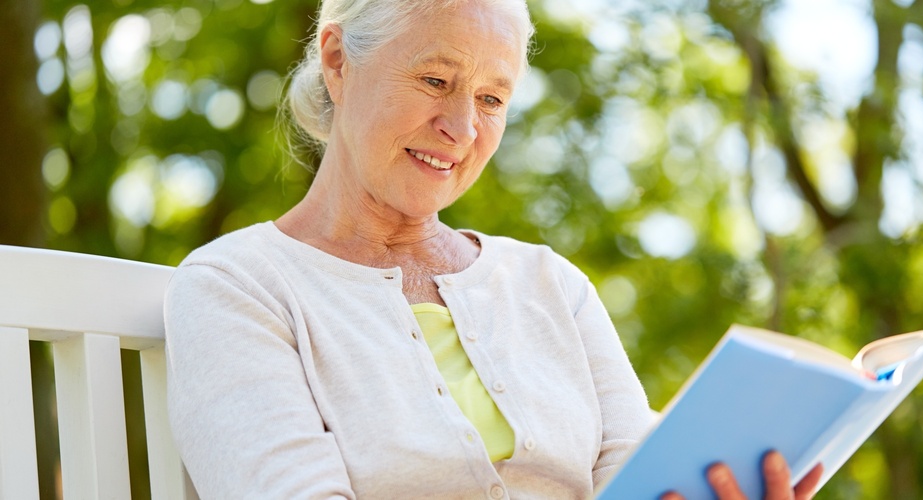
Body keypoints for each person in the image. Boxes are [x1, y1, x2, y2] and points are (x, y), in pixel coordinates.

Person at [163, 0, 822, 498]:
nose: (461, 128)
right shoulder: (237, 286)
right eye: (434, 81)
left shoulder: (551, 286)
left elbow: (638, 476)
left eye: (491, 98)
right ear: (337, 61)